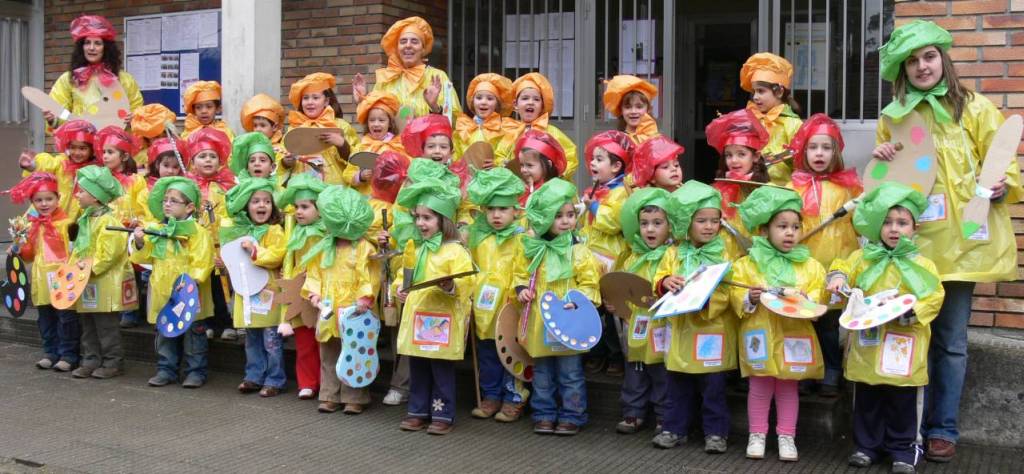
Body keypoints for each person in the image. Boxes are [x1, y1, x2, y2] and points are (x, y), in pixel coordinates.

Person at [873, 20, 1023, 462]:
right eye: (912, 61)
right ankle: (902, 431)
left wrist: (1001, 185)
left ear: (943, 58)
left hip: (961, 247)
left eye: (929, 56)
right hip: (911, 247)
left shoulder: (974, 107)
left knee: (951, 342)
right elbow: (885, 189)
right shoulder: (893, 117)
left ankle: (942, 428)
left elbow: (1002, 163)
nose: (923, 66)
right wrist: (882, 161)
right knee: (906, 335)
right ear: (902, 70)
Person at [827, 183, 945, 474]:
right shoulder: (863, 258)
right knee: (867, 397)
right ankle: (866, 446)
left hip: (903, 346)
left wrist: (911, 312)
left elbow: (934, 296)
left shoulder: (924, 264)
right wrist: (838, 278)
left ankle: (903, 448)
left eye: (902, 223)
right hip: (868, 345)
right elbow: (842, 267)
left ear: (914, 228)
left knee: (902, 400)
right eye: (887, 222)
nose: (894, 229)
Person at [729, 186, 826, 462]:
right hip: (759, 333)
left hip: (793, 334)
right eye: (782, 226)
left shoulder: (810, 265)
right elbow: (736, 293)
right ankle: (757, 434)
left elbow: (818, 294)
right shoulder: (748, 264)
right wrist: (748, 297)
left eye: (795, 227)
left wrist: (807, 299)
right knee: (759, 386)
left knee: (788, 386)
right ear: (764, 230)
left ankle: (787, 436)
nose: (790, 233)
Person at [652, 180, 737, 453]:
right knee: (677, 385)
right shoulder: (673, 253)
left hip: (713, 328)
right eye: (701, 220)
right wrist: (665, 282)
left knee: (713, 387)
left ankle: (716, 432)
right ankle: (674, 428)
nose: (709, 226)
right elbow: (658, 278)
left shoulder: (725, 252)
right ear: (685, 223)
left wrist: (708, 300)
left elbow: (731, 290)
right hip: (681, 331)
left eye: (715, 220)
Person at [515, 178, 601, 436]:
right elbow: (519, 273)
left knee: (570, 372)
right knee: (542, 372)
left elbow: (590, 282)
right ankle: (544, 414)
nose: (566, 221)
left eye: (570, 215)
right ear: (543, 218)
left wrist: (580, 300)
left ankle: (573, 415)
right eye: (558, 216)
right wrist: (521, 289)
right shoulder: (532, 249)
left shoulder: (579, 251)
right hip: (540, 322)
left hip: (569, 321)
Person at [785, 113, 862, 397]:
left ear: (836, 152)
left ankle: (831, 369)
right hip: (803, 262)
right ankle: (808, 369)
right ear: (803, 151)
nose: (819, 153)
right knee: (804, 318)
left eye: (826, 148)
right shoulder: (794, 187)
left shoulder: (849, 187)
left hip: (836, 262)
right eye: (813, 147)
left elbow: (861, 222)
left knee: (829, 320)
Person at [392, 177, 473, 435]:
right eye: (417, 217)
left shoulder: (456, 251)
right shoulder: (414, 248)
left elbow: (467, 283)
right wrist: (398, 288)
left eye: (427, 218)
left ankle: (442, 413)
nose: (420, 223)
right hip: (418, 317)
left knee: (441, 369)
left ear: (443, 220)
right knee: (418, 366)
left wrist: (450, 286)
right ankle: (417, 411)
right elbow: (402, 275)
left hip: (442, 320)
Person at [131, 177, 214, 389]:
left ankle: (196, 371)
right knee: (165, 331)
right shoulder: (159, 229)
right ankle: (166, 369)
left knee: (193, 334)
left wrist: (190, 282)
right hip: (163, 291)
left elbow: (202, 261)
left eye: (173, 201)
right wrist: (139, 242)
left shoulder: (198, 232)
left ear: (190, 207)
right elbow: (145, 257)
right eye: (165, 200)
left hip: (189, 292)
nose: (167, 204)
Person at [302, 185, 377, 414]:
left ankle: (355, 396)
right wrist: (314, 293)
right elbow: (315, 272)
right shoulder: (325, 246)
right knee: (329, 352)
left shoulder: (363, 248)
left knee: (356, 352)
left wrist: (364, 298)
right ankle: (329, 394)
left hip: (354, 310)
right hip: (329, 308)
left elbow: (369, 275)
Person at [465, 167, 529, 421]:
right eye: (491, 209)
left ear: (516, 210)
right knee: (488, 353)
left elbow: (523, 270)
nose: (496, 215)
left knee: (511, 351)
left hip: (509, 306)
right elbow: (471, 267)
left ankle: (514, 396)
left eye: (503, 209)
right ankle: (491, 395)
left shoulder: (521, 238)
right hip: (484, 308)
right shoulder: (478, 237)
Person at [613, 187, 675, 435]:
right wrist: (616, 303)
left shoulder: (673, 256)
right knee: (635, 369)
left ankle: (663, 415)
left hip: (662, 324)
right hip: (636, 324)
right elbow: (623, 287)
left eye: (657, 223)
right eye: (644, 223)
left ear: (670, 226)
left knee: (661, 372)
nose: (650, 229)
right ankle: (633, 411)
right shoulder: (632, 258)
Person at [220, 178, 287, 398]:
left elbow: (278, 255)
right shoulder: (239, 231)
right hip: (247, 291)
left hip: (268, 291)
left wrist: (255, 251)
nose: (261, 205)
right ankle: (254, 376)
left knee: (271, 340)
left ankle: (275, 379)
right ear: (246, 206)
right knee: (252, 339)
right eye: (255, 201)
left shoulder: (274, 230)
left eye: (266, 201)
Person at [6, 173, 78, 372]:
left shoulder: (67, 224)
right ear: (32, 202)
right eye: (38, 200)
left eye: (49, 199)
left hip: (63, 277)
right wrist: (19, 249)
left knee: (66, 318)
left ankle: (69, 355)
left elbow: (74, 252)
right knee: (45, 318)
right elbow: (30, 254)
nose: (44, 204)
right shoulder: (32, 226)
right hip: (41, 279)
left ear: (58, 198)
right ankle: (50, 352)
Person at [70, 165, 136, 379]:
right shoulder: (86, 219)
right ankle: (90, 359)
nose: (77, 195)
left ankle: (112, 362)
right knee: (88, 324)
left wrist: (87, 269)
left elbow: (109, 255)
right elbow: (79, 249)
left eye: (81, 191)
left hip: (103, 282)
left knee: (106, 326)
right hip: (86, 280)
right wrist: (72, 270)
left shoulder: (108, 222)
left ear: (95, 197)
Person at [275, 174, 327, 401]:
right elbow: (290, 258)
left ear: (320, 209)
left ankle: (325, 382)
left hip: (322, 292)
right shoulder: (294, 231)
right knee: (304, 341)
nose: (298, 211)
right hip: (300, 291)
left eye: (305, 207)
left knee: (323, 341)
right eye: (296, 207)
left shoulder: (327, 233)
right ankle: (307, 382)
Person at [352, 16, 462, 123]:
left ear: (423, 49)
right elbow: (375, 121)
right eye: (403, 41)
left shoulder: (438, 77)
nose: (408, 45)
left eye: (414, 41)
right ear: (397, 48)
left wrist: (435, 107)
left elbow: (455, 122)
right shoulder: (387, 78)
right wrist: (363, 101)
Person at [46, 15, 143, 130]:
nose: (91, 48)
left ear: (106, 48)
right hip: (80, 139)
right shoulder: (69, 79)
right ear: (81, 47)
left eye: (97, 43)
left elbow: (137, 111)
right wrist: (53, 119)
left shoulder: (124, 79)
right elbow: (61, 112)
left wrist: (133, 118)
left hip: (113, 140)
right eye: (87, 43)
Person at [187, 128, 237, 341]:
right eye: (202, 156)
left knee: (223, 285)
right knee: (204, 285)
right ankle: (208, 322)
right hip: (199, 246)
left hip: (221, 245)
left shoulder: (228, 185)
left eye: (212, 156)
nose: (208, 160)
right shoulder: (189, 187)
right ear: (193, 161)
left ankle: (227, 322)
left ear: (220, 160)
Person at [707, 108, 771, 255]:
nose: (734, 160)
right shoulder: (714, 191)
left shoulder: (767, 191)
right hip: (721, 255)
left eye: (741, 154)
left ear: (755, 156)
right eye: (728, 155)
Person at [285, 72, 360, 185]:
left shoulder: (341, 126)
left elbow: (356, 159)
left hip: (333, 190)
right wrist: (286, 162)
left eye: (315, 98)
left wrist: (342, 144)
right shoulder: (294, 129)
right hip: (302, 189)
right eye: (305, 98)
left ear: (326, 101)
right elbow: (281, 157)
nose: (310, 102)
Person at [739, 52, 802, 186]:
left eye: (761, 91)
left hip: (782, 191)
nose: (755, 97)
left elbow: (802, 159)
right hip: (751, 189)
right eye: (754, 92)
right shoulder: (751, 121)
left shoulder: (793, 124)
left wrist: (777, 158)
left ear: (779, 92)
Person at [19, 120, 98, 219]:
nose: (77, 153)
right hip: (47, 212)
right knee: (29, 227)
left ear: (91, 149)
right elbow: (48, 164)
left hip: (72, 219)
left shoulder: (94, 171)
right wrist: (33, 165)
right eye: (73, 148)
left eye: (82, 148)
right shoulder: (62, 162)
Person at [504, 73, 578, 178]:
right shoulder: (509, 132)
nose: (530, 102)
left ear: (542, 106)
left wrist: (555, 174)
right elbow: (499, 155)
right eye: (525, 98)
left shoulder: (552, 133)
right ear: (515, 104)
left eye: (536, 99)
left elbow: (570, 157)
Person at [454, 73, 516, 166]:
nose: (483, 102)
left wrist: (496, 164)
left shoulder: (506, 130)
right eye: (479, 98)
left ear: (498, 104)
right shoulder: (463, 128)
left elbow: (509, 158)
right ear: (472, 102)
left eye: (490, 99)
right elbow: (456, 157)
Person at [239, 94, 288, 188]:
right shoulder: (248, 147)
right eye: (255, 125)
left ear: (275, 127)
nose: (258, 129)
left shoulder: (280, 150)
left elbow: (282, 175)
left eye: (262, 125)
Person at [510, 130, 567, 206]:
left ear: (548, 164)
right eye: (521, 165)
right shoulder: (523, 187)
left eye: (529, 165)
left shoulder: (553, 191)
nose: (523, 170)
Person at [603, 75, 660, 145]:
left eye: (639, 107)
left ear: (648, 109)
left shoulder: (657, 139)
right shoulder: (616, 141)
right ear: (621, 110)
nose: (633, 111)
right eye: (628, 107)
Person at [129, 103, 177, 172]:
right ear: (147, 138)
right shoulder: (142, 156)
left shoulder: (175, 151)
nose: (161, 139)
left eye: (165, 134)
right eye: (156, 137)